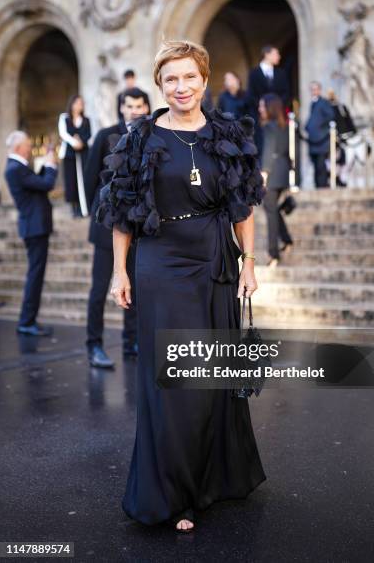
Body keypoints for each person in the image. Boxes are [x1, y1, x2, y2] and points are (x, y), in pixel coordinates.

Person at [97, 40, 266, 532]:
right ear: (159, 85)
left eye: (189, 77)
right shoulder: (139, 138)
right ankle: (174, 493)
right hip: (161, 261)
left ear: (204, 79)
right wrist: (119, 270)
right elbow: (122, 213)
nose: (181, 86)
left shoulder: (226, 133)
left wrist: (249, 262)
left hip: (215, 259)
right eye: (171, 79)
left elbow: (243, 205)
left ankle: (215, 479)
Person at [84, 88, 150, 369]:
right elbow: (89, 179)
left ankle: (131, 342)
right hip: (105, 226)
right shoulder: (105, 135)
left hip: (136, 225)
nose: (134, 110)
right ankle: (94, 346)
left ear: (147, 107)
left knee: (132, 286)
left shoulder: (150, 136)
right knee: (100, 288)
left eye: (139, 105)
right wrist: (99, 214)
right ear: (121, 108)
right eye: (129, 105)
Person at [4, 131, 57, 336]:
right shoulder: (15, 168)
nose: (30, 148)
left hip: (36, 226)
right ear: (18, 148)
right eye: (27, 145)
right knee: (35, 276)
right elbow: (46, 184)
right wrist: (51, 165)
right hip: (34, 227)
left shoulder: (18, 167)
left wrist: (46, 165)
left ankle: (29, 320)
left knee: (36, 275)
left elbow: (37, 183)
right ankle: (26, 322)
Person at [259, 94, 293, 267]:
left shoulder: (269, 127)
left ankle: (273, 254)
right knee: (273, 209)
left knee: (270, 212)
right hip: (282, 172)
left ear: (269, 108)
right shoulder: (284, 126)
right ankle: (287, 240)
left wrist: (264, 173)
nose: (260, 109)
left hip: (271, 173)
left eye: (262, 106)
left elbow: (268, 150)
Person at [247, 45, 290, 157]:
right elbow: (251, 95)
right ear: (267, 54)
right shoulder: (254, 73)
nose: (279, 57)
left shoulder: (281, 73)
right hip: (259, 117)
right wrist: (263, 108)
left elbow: (286, 93)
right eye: (276, 54)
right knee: (261, 146)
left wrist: (277, 107)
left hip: (277, 118)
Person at [58, 95, 91, 217]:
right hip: (69, 154)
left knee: (83, 180)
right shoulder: (64, 118)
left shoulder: (86, 120)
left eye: (81, 103)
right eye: (77, 103)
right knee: (71, 181)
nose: (79, 106)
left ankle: (85, 208)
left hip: (83, 153)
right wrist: (74, 142)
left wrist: (81, 142)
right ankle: (74, 208)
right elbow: (63, 133)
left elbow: (88, 134)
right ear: (71, 104)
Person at [305, 81, 335, 188]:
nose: (314, 91)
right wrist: (308, 126)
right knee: (316, 165)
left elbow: (330, 116)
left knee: (321, 166)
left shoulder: (324, 102)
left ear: (319, 90)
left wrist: (320, 128)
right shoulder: (312, 103)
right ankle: (318, 185)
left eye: (315, 89)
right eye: (312, 89)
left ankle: (322, 186)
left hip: (321, 141)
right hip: (313, 141)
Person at [327, 89, 357, 187]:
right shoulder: (326, 108)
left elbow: (349, 122)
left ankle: (342, 179)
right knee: (334, 161)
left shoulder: (341, 107)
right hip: (332, 140)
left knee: (345, 161)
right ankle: (336, 179)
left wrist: (352, 133)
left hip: (344, 138)